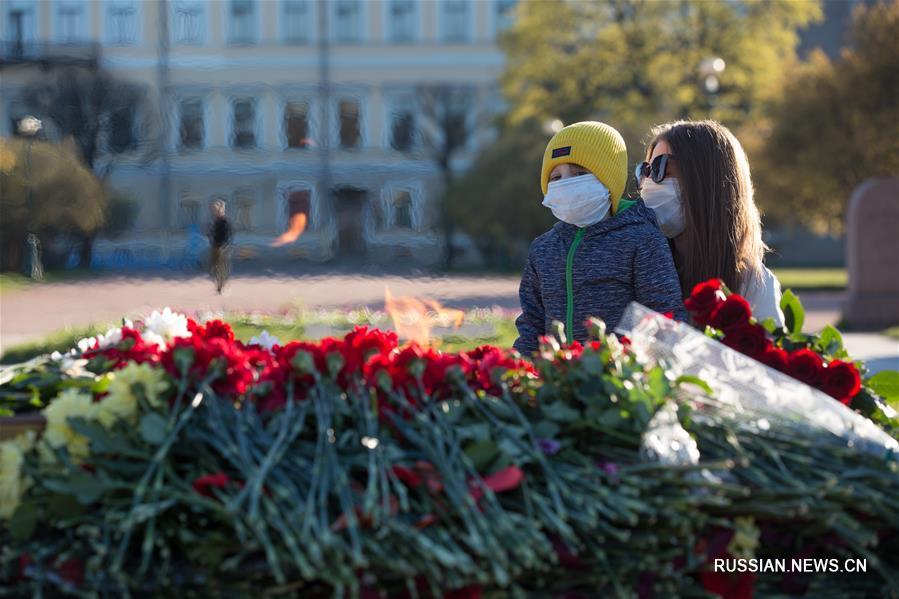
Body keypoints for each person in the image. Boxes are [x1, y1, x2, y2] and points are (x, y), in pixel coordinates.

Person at [513, 121, 687, 357]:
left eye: (580, 174)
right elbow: (532, 323)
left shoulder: (641, 239)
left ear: (610, 178)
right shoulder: (544, 248)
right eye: (556, 177)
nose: (566, 184)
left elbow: (664, 317)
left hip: (617, 383)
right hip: (557, 382)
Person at [637, 120, 785, 326]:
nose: (648, 183)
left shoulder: (753, 284)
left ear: (706, 179)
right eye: (646, 171)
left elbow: (764, 355)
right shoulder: (639, 267)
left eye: (662, 169)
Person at [208, 199, 232, 294]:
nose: (215, 211)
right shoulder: (216, 221)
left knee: (221, 267)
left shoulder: (224, 221)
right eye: (214, 209)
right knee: (214, 267)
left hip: (222, 247)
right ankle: (220, 284)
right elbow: (213, 233)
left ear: (221, 210)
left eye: (217, 209)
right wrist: (210, 235)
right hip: (215, 246)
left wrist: (224, 245)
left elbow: (228, 234)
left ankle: (220, 285)